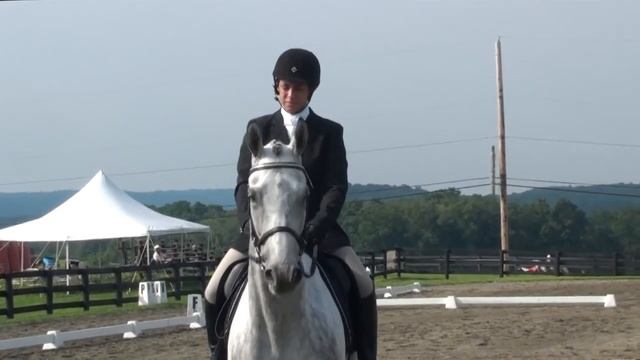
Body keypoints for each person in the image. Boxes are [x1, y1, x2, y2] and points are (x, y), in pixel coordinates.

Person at [204, 48, 377, 360]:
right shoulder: (257, 128)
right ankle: (217, 352)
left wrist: (317, 226)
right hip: (263, 231)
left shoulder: (329, 132)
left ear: (311, 90)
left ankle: (364, 354)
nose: (290, 94)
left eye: (298, 88)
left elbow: (336, 186)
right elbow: (244, 182)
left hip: (318, 232)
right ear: (276, 87)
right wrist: (248, 223)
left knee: (362, 283)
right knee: (214, 289)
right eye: (285, 86)